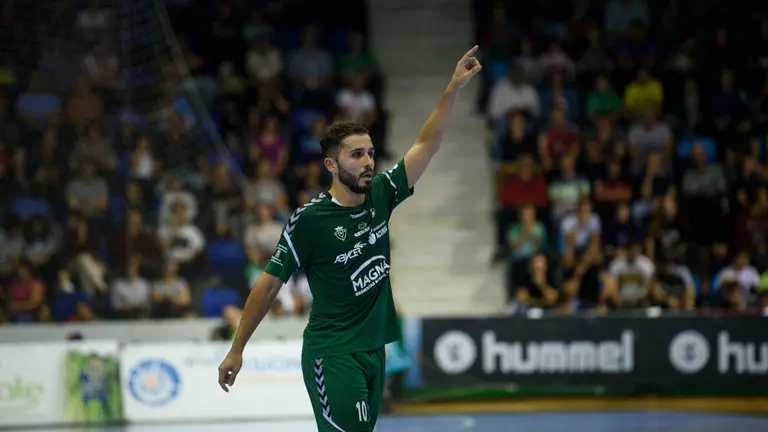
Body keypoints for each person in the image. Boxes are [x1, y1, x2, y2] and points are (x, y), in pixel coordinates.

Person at [217, 47, 482, 431]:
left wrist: (453, 88)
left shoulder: (382, 194)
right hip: (333, 355)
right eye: (356, 155)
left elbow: (427, 145)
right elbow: (269, 283)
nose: (368, 161)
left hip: (373, 351)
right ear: (331, 165)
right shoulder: (310, 220)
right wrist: (237, 348)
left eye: (370, 153)